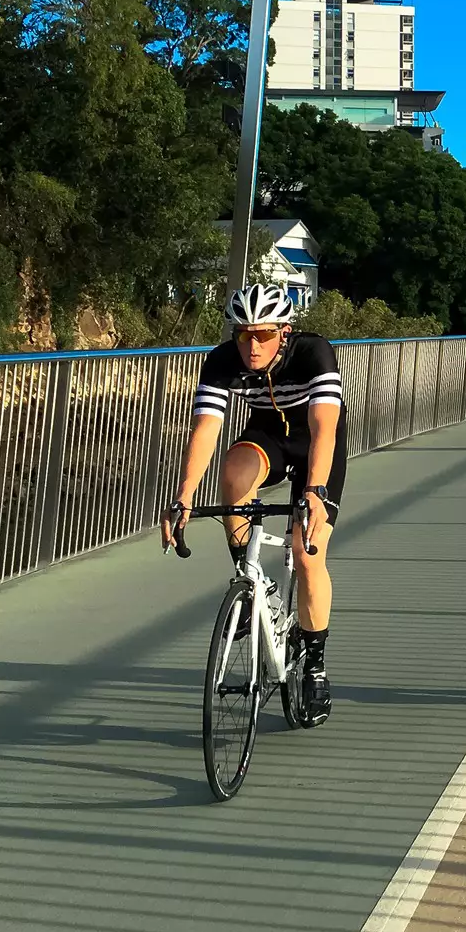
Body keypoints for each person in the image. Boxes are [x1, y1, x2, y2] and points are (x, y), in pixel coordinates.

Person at [161, 283, 347, 724]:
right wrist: (184, 495)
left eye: (263, 334)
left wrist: (315, 492)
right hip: (267, 438)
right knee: (232, 472)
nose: (252, 345)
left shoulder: (313, 352)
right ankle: (250, 581)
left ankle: (316, 668)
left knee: (305, 555)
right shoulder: (223, 360)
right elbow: (206, 429)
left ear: (284, 332)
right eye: (243, 334)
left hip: (315, 448)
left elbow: (325, 427)